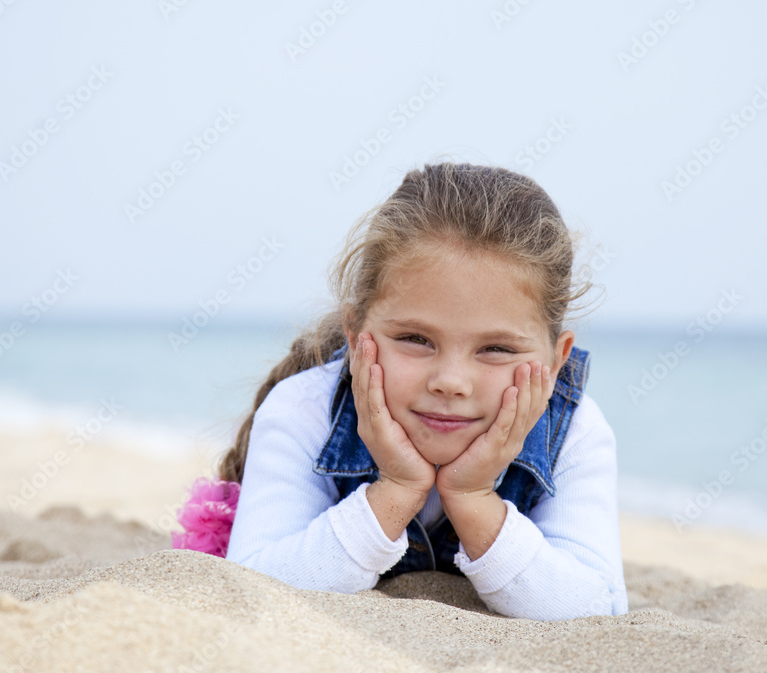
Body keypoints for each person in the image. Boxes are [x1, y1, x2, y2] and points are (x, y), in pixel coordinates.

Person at [172, 162, 628, 620]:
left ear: (555, 359)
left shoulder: (574, 433)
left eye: (496, 348)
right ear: (355, 335)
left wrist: (473, 499)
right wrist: (396, 491)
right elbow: (253, 586)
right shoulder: (303, 410)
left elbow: (598, 609)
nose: (450, 381)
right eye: (415, 339)